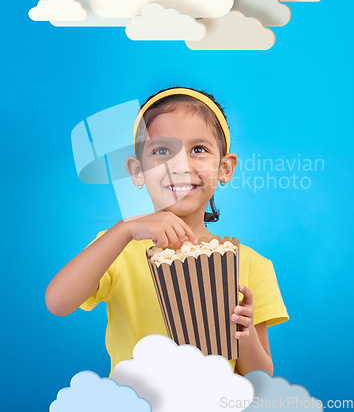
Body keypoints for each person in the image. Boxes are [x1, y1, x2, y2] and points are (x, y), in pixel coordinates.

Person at [45, 86, 289, 378]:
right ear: (137, 171)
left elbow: (261, 378)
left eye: (198, 150)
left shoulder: (252, 266)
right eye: (161, 151)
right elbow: (58, 302)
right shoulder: (116, 248)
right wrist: (124, 230)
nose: (180, 165)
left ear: (225, 168)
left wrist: (245, 334)